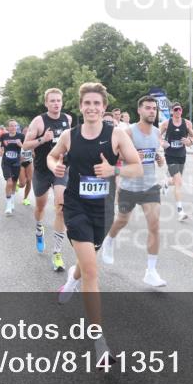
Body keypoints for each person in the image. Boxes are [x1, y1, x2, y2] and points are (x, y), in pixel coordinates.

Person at [52, 83, 142, 365]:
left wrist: (113, 170)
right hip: (76, 208)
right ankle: (99, 342)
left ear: (104, 107)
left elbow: (137, 166)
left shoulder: (116, 134)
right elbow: (53, 154)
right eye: (87, 103)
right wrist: (54, 163)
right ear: (80, 107)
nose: (92, 108)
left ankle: (71, 279)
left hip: (102, 210)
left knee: (86, 262)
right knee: (92, 270)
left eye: (97, 104)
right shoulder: (69, 135)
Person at [101, 95, 167, 287]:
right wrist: (128, 156)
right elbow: (117, 155)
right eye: (147, 108)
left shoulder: (157, 132)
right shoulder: (128, 132)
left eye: (154, 108)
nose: (152, 111)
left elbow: (154, 153)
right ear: (139, 110)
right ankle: (109, 241)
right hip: (130, 186)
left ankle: (151, 271)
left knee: (154, 226)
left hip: (150, 186)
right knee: (122, 220)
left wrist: (158, 159)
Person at [22, 88, 73, 272]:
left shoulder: (68, 119)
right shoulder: (39, 121)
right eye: (52, 101)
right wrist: (43, 139)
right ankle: (39, 228)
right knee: (41, 206)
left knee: (61, 206)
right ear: (46, 103)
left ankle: (57, 253)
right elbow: (26, 145)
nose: (56, 103)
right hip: (42, 170)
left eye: (58, 100)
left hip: (60, 169)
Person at [158, 102, 193, 221]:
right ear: (171, 111)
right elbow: (158, 136)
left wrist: (189, 140)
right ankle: (180, 211)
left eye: (179, 109)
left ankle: (165, 182)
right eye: (175, 110)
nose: (177, 111)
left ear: (182, 111)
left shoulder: (187, 123)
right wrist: (162, 143)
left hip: (181, 155)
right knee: (179, 182)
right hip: (170, 155)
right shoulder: (166, 123)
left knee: (175, 181)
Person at [0, 119, 25, 216]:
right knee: (9, 182)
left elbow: (26, 148)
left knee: (14, 183)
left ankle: (12, 200)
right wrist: (0, 151)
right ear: (8, 127)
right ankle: (8, 205)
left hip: (16, 163)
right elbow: (1, 147)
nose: (13, 127)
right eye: (11, 126)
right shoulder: (4, 136)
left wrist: (20, 145)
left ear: (17, 127)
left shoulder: (21, 136)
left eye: (15, 126)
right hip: (6, 162)